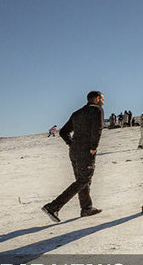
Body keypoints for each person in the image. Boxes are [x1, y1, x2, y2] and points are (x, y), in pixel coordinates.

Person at [41, 91, 105, 222]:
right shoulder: (97, 110)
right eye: (102, 98)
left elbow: (63, 132)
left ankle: (86, 208)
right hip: (86, 151)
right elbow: (97, 129)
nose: (103, 101)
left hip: (74, 151)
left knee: (81, 179)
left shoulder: (77, 113)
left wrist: (72, 144)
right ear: (97, 99)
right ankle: (53, 206)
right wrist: (93, 147)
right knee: (84, 180)